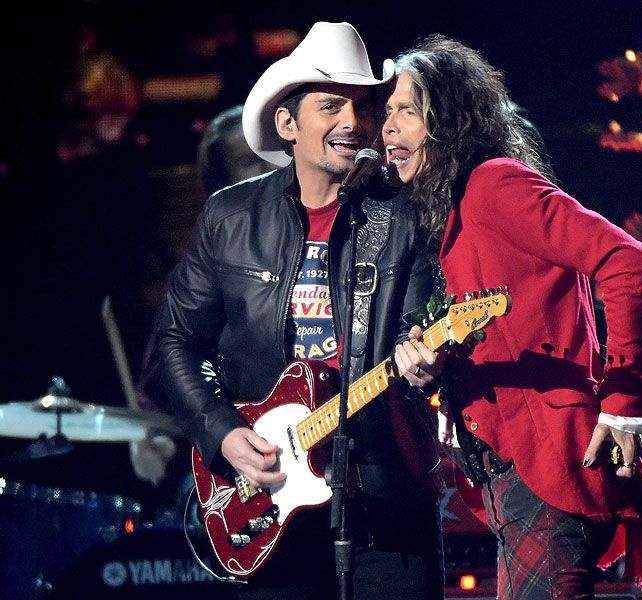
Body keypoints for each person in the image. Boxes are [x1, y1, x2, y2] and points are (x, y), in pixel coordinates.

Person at [156, 22, 445, 599]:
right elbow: (177, 341)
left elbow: (420, 327)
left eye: (363, 107)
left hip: (384, 500)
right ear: (287, 124)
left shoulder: (406, 215)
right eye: (331, 105)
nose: (353, 123)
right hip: (269, 496)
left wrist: (425, 367)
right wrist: (225, 434)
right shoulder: (229, 218)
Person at [382, 35, 642, 599]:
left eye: (406, 112)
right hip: (512, 477)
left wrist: (625, 404)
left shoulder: (494, 185)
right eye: (386, 113)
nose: (388, 128)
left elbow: (630, 264)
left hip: (550, 466)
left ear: (448, 121)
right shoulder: (449, 214)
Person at [130, 104, 276, 490]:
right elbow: (167, 364)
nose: (265, 170)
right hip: (237, 458)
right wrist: (153, 437)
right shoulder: (205, 268)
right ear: (222, 182)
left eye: (269, 155)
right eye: (248, 161)